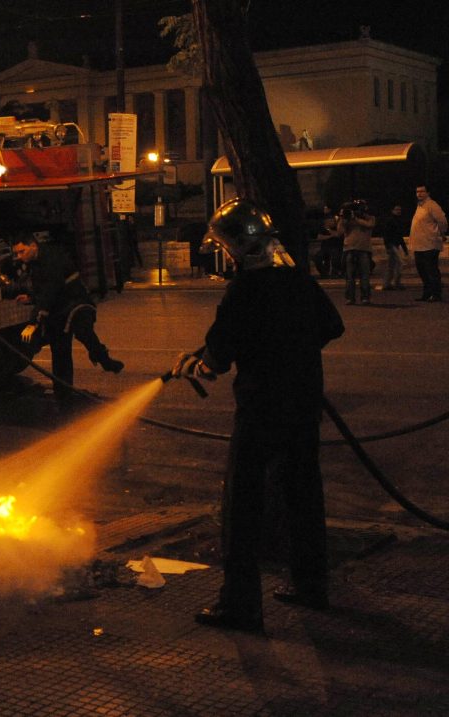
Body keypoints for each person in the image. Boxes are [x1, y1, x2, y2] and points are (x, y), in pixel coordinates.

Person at [173, 197, 344, 633]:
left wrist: (198, 364)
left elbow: (217, 359)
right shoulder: (298, 281)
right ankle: (311, 585)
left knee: (243, 506)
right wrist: (292, 352)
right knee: (303, 495)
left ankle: (240, 605)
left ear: (237, 246)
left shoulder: (245, 291)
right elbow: (331, 326)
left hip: (261, 408)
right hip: (303, 403)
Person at [11, 233, 124, 408]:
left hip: (76, 302)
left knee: (83, 332)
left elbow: (52, 287)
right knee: (60, 349)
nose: (19, 257)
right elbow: (44, 290)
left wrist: (37, 315)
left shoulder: (51, 258)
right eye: (17, 253)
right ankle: (63, 391)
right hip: (59, 309)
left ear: (33, 245)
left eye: (21, 251)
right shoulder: (35, 263)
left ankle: (105, 360)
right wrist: (31, 298)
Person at [409, 184, 447, 302]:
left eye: (422, 191)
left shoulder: (432, 205)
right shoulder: (420, 206)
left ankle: (436, 294)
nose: (419, 194)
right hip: (419, 245)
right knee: (422, 271)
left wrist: (441, 233)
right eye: (417, 192)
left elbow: (442, 221)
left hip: (430, 244)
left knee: (431, 270)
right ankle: (427, 293)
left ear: (428, 193)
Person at [336, 199, 376, 305]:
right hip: (349, 249)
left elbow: (370, 225)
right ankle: (350, 298)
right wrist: (342, 218)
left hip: (364, 249)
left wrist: (355, 218)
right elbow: (339, 232)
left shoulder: (370, 217)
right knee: (349, 276)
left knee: (365, 275)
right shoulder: (347, 219)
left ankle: (365, 298)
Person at [377, 204, 409, 290]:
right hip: (392, 245)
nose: (398, 211)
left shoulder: (396, 221)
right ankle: (395, 283)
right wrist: (388, 246)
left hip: (394, 245)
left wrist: (404, 248)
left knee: (392, 265)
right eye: (397, 210)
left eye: (399, 210)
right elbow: (386, 234)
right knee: (399, 264)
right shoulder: (391, 221)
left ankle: (388, 284)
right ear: (392, 211)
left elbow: (399, 236)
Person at [312, 206, 340, 278]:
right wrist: (330, 235)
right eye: (328, 220)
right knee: (317, 258)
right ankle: (324, 273)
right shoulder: (323, 228)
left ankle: (335, 273)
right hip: (325, 248)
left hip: (335, 248)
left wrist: (329, 231)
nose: (330, 222)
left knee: (335, 257)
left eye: (331, 220)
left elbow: (338, 235)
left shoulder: (337, 227)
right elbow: (319, 237)